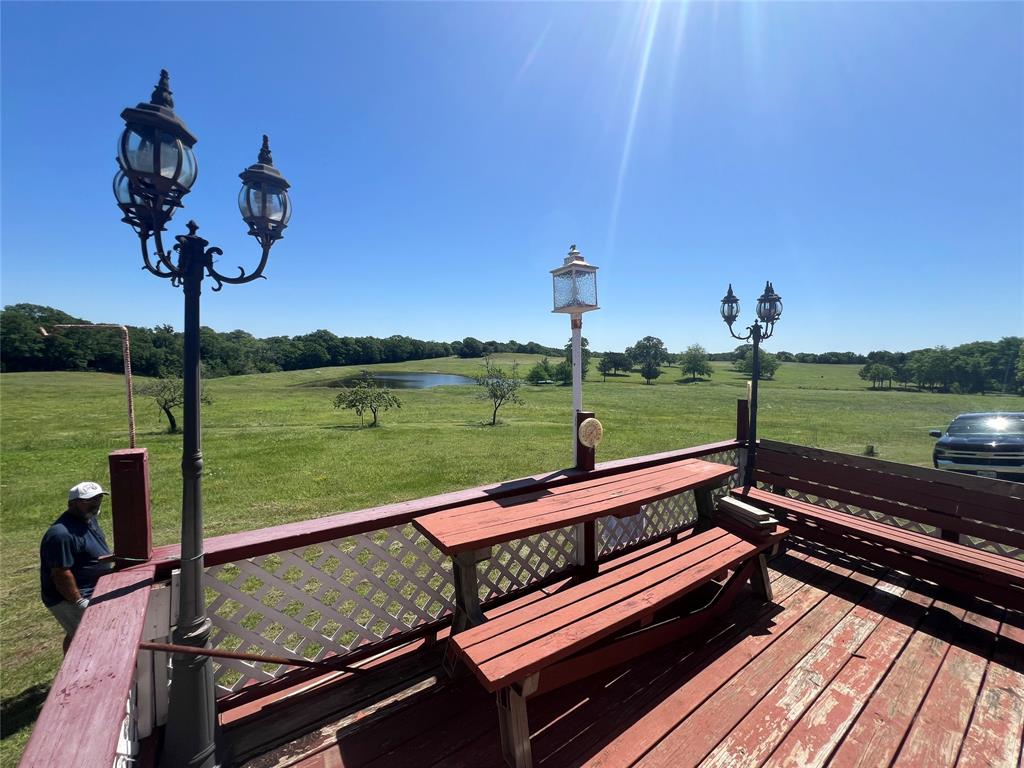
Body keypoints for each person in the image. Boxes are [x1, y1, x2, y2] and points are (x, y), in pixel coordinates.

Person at [39, 481, 114, 652]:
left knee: (75, 632)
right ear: (72, 503)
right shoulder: (61, 534)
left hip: (90, 588)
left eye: (98, 498)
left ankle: (67, 669)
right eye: (89, 500)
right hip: (68, 598)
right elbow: (61, 574)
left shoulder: (89, 519)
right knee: (87, 637)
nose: (96, 503)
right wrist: (79, 602)